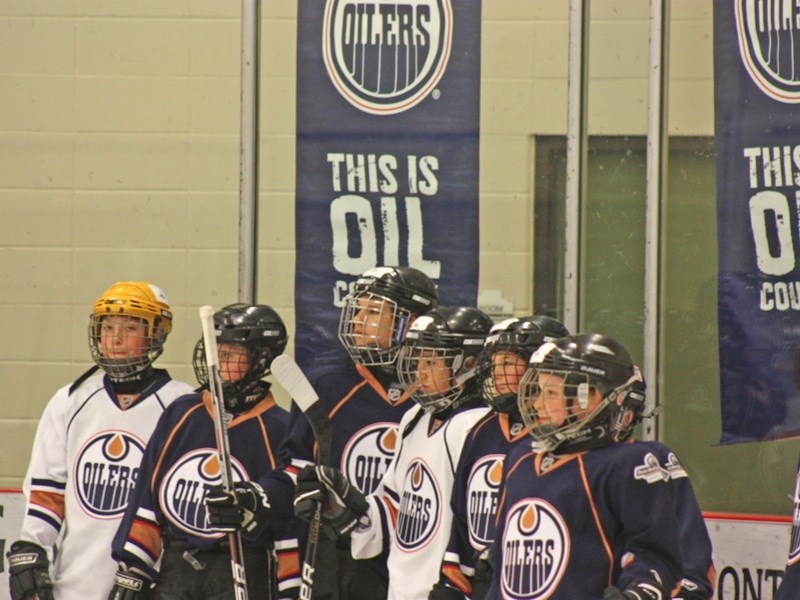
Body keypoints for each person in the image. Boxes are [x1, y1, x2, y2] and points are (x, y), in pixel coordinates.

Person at [206, 266, 440, 599]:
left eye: (373, 311)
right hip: (338, 562)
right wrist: (256, 498)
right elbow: (296, 473)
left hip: (417, 560)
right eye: (358, 309)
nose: (358, 319)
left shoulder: (435, 394)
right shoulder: (327, 387)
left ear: (411, 321)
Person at [485, 333, 714, 600]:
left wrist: (636, 593)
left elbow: (655, 555)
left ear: (593, 397)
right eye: (537, 391)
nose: (537, 404)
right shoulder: (519, 461)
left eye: (551, 393)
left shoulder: (626, 464)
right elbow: (501, 565)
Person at [6, 282, 194, 600]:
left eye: (130, 327)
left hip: (148, 586)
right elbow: (47, 493)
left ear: (157, 333)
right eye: (107, 327)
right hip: (71, 584)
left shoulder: (183, 406)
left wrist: (148, 572)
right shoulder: (70, 399)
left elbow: (182, 508)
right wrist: (32, 549)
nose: (115, 339)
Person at [294, 305, 495, 600]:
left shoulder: (478, 428)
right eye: (417, 361)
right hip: (400, 590)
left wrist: (467, 587)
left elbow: (478, 527)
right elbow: (397, 508)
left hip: (442, 590)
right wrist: (351, 509)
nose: (420, 373)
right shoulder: (415, 417)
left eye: (431, 363)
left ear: (469, 365)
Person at [107, 303, 301, 600]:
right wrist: (134, 569)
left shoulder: (279, 430)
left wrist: (290, 589)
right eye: (216, 349)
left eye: (232, 352)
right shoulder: (182, 413)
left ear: (261, 358)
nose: (219, 359)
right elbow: (147, 496)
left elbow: (287, 522)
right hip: (177, 569)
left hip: (243, 571)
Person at [430, 316, 569, 600]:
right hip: (482, 582)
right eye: (493, 364)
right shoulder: (481, 429)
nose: (496, 373)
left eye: (507, 363)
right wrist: (455, 578)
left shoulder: (562, 436)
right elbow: (461, 511)